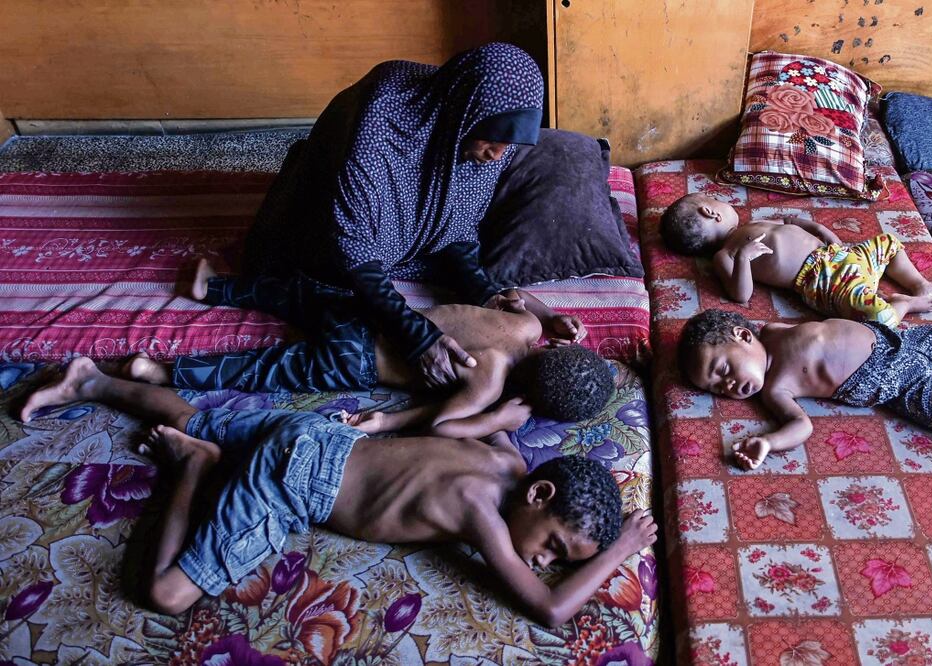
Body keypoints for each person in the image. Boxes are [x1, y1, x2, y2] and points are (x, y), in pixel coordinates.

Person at [19, 359, 657, 625]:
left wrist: (500, 420)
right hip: (297, 481)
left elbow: (441, 423)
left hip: (318, 434)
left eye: (555, 562)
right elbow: (549, 610)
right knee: (165, 593)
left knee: (194, 412)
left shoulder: (505, 462)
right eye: (553, 548)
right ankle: (192, 467)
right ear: (541, 498)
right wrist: (621, 548)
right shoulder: (479, 511)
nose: (542, 563)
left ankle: (90, 382)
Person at [243, 42, 545, 388]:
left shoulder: (482, 131)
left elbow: (456, 232)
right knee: (326, 294)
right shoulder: (382, 119)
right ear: (467, 113)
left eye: (510, 143)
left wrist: (483, 292)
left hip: (393, 232)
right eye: (493, 140)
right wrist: (414, 334)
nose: (497, 154)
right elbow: (353, 246)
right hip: (324, 225)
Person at [24, 263, 608, 437]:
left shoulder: (526, 329)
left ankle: (216, 288)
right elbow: (446, 426)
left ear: (557, 347)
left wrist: (550, 313)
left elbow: (516, 297)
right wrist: (494, 420)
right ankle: (159, 369)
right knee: (263, 370)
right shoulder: (493, 380)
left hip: (375, 316)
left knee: (301, 290)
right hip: (359, 357)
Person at [678, 309, 932, 472]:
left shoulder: (770, 329)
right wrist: (768, 443)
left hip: (895, 341)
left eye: (724, 370)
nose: (729, 387)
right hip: (890, 383)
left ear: (744, 335)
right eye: (718, 389)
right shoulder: (776, 390)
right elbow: (802, 427)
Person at [659, 193, 932, 327]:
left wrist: (815, 227)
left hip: (841, 256)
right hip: (824, 280)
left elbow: (805, 236)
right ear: (710, 213)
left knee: (889, 243)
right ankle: (906, 303)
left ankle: (920, 284)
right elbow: (741, 295)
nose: (722, 202)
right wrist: (745, 260)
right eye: (716, 200)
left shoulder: (753, 224)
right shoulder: (726, 255)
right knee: (880, 320)